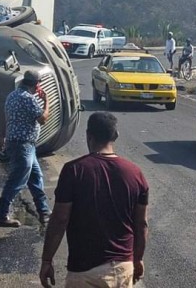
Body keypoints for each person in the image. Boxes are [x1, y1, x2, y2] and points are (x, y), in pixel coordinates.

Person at [39, 112, 149, 288]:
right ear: (115, 136)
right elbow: (141, 224)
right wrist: (138, 259)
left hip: (85, 271)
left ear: (88, 135)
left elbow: (60, 220)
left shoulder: (74, 170)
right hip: (122, 268)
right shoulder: (136, 173)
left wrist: (47, 260)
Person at [0, 69, 52, 228]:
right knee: (17, 181)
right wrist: (46, 101)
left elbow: (6, 119)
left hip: (21, 144)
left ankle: (44, 211)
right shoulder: (28, 99)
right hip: (23, 145)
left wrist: (2, 137)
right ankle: (1, 214)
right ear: (37, 84)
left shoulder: (12, 96)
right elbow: (43, 119)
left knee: (35, 177)